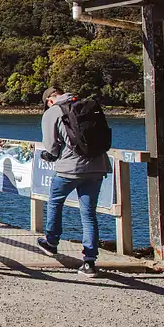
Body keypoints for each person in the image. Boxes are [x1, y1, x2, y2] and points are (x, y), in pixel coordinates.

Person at [36, 87, 111, 278]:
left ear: (49, 101)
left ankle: (51, 242)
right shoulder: (87, 106)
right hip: (97, 167)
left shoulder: (53, 112)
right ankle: (89, 262)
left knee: (55, 202)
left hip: (68, 170)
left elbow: (51, 147)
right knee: (88, 214)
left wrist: (50, 155)